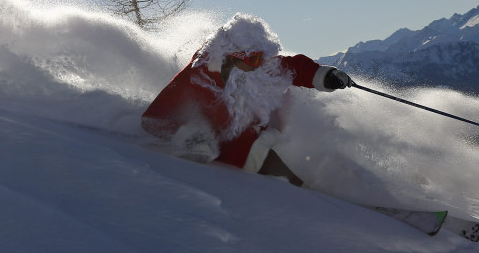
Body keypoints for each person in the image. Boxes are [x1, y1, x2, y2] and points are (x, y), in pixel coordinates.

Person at [141, 14, 351, 186]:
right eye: (253, 59)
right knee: (280, 179)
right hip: (231, 155)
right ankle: (313, 199)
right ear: (231, 56)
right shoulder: (195, 79)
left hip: (252, 141)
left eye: (262, 57)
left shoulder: (256, 66)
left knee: (289, 177)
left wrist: (326, 76)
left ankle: (319, 194)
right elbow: (154, 118)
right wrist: (191, 138)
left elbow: (293, 67)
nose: (260, 64)